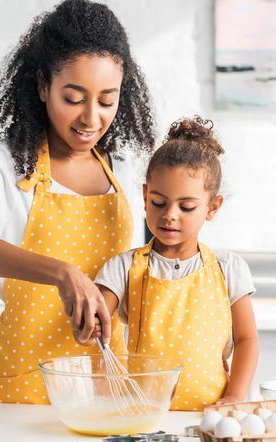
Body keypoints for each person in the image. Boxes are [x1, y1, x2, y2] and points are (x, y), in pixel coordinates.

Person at [0, 0, 155, 404]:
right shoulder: (7, 162)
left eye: (107, 100)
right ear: (43, 85)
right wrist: (62, 273)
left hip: (105, 380)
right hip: (23, 386)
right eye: (73, 98)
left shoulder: (122, 172)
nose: (91, 117)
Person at [94, 116, 259, 411]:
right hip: (142, 414)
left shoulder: (228, 268)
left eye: (186, 206)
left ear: (212, 207)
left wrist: (235, 397)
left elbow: (246, 340)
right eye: (159, 202)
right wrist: (90, 323)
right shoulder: (123, 267)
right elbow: (97, 321)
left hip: (210, 417)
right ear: (145, 197)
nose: (170, 215)